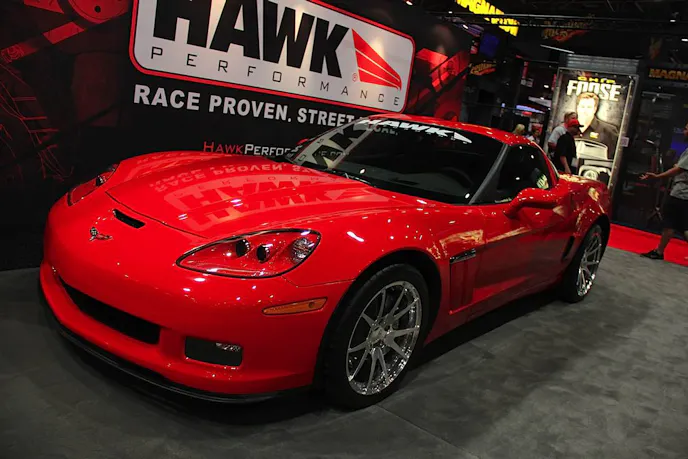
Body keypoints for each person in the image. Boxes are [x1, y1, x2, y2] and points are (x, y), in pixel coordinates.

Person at [639, 121, 688, 260]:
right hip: (683, 192)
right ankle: (659, 251)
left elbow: (679, 169)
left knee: (672, 223)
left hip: (681, 192)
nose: (684, 132)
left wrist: (657, 176)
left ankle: (659, 251)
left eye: (686, 129)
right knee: (679, 225)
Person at [576, 92, 620, 156]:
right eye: (582, 107)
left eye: (589, 107)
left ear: (595, 109)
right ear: (577, 108)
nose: (585, 110)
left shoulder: (608, 130)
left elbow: (614, 157)